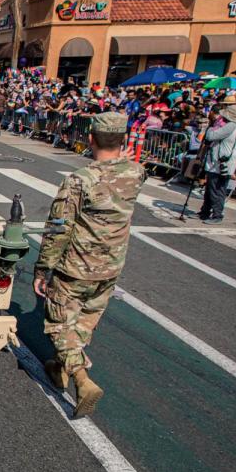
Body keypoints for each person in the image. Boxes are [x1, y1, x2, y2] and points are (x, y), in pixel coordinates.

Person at [32, 111, 146, 418]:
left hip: (76, 267)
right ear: (123, 140)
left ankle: (82, 379)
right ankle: (59, 366)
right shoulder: (137, 173)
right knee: (85, 321)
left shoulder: (80, 181)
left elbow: (59, 228)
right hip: (110, 266)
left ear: (91, 139)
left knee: (59, 322)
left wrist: (43, 269)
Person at [198, 97, 236, 225]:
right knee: (211, 187)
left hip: (220, 162)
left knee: (216, 189)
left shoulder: (231, 125)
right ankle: (205, 211)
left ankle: (217, 215)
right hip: (225, 161)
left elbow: (210, 136)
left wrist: (212, 126)